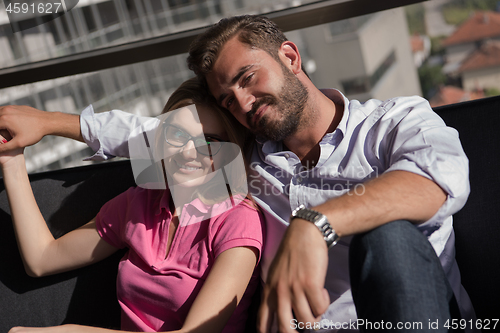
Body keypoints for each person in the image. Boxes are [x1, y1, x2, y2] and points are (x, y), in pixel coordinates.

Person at [0, 15, 475, 333]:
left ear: (290, 57)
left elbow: (435, 180)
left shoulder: (393, 121)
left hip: (413, 314)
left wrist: (318, 223)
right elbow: (166, 133)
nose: (243, 103)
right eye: (229, 99)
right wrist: (48, 124)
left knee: (386, 236)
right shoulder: (245, 162)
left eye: (248, 79)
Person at [0, 78, 264, 333]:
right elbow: (42, 259)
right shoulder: (139, 203)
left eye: (209, 142)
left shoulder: (238, 220)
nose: (188, 151)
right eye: (177, 134)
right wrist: (11, 161)